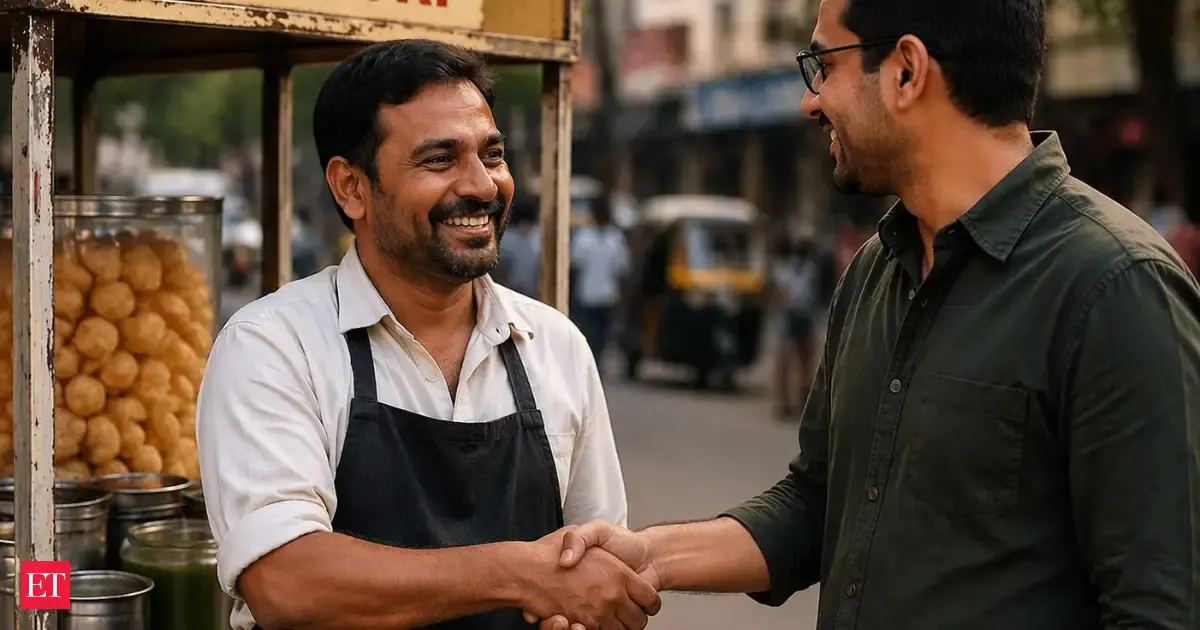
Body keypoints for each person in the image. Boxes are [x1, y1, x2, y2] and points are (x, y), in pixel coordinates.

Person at [531, 0, 1200, 628]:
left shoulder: (1115, 288)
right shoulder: (877, 270)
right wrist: (649, 556)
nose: (810, 100)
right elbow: (818, 503)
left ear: (906, 71)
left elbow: (1159, 605)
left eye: (824, 66)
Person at [196, 40, 660, 630]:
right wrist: (520, 574)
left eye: (492, 155)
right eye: (440, 159)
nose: (484, 186)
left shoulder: (555, 346)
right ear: (351, 187)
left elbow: (597, 571)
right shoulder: (274, 346)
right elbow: (285, 581)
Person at [770, 236, 836, 418]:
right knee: (802, 360)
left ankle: (789, 401)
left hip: (792, 314)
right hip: (802, 314)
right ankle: (798, 400)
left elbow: (779, 293)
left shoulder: (784, 268)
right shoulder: (810, 269)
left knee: (790, 360)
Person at [569, 200, 630, 368]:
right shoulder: (588, 236)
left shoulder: (612, 237)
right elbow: (576, 264)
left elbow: (622, 266)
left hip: (604, 295)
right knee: (592, 333)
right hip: (592, 294)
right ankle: (591, 364)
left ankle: (596, 364)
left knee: (600, 335)